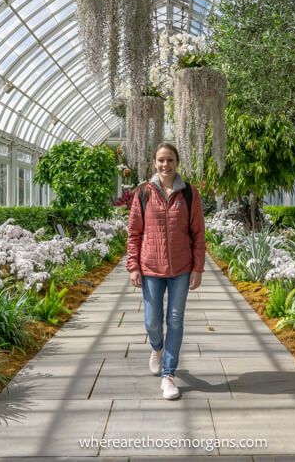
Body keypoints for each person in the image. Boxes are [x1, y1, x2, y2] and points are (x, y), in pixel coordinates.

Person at [126, 143, 206, 400]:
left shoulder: (189, 194)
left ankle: (168, 375)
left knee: (175, 319)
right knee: (152, 321)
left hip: (181, 268)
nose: (165, 165)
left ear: (177, 162)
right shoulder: (143, 193)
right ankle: (156, 347)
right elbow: (134, 233)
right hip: (150, 267)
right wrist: (133, 266)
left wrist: (198, 268)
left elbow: (198, 234)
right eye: (161, 160)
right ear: (154, 163)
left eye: (170, 160)